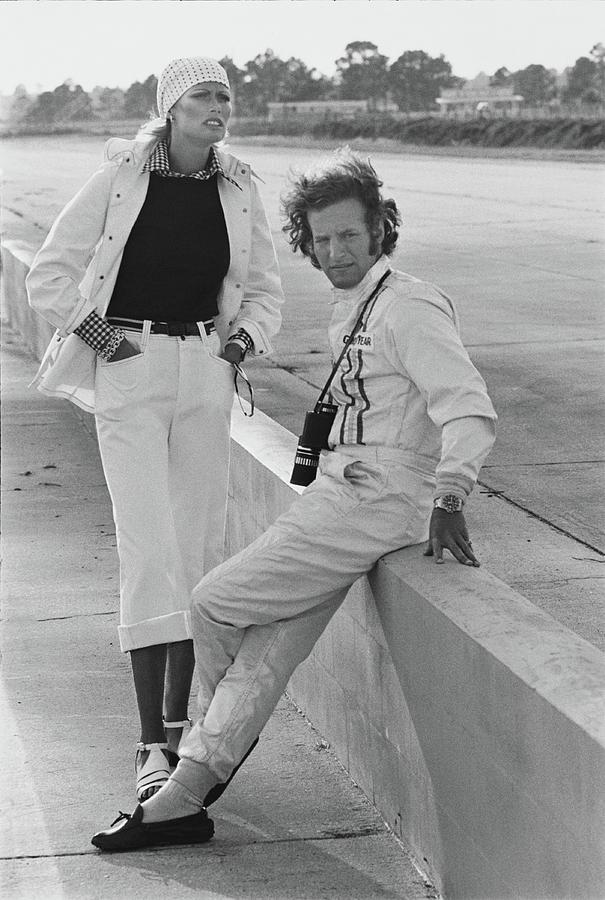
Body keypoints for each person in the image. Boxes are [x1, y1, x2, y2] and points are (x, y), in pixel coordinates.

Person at [91, 149, 497, 851]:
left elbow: (466, 405)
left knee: (213, 602)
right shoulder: (356, 309)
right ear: (305, 243)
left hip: (376, 496)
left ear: (379, 230)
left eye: (349, 234)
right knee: (270, 648)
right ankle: (185, 798)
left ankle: (200, 760)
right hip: (346, 494)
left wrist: (452, 492)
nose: (335, 250)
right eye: (321, 238)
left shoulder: (409, 304)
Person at [26, 57, 283, 803]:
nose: (218, 107)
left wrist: (240, 345)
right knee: (148, 551)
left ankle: (182, 734)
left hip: (205, 365)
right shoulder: (118, 178)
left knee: (199, 553)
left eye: (225, 97)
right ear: (171, 108)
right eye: (204, 95)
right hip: (130, 368)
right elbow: (51, 275)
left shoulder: (237, 188)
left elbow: (263, 289)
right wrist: (108, 344)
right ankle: (148, 744)